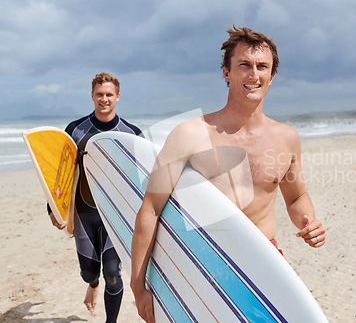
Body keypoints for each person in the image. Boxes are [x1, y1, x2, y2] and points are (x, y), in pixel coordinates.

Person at [130, 26, 326, 323]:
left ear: (272, 77)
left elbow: (296, 196)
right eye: (244, 65)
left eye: (262, 67)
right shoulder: (190, 135)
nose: (253, 74)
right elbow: (151, 207)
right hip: (204, 265)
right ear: (226, 72)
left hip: (265, 260)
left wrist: (308, 222)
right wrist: (138, 284)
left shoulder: (286, 138)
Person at [48, 72, 143, 323]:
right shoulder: (76, 130)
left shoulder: (131, 133)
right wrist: (53, 208)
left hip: (115, 217)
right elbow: (62, 174)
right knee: (88, 273)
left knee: (113, 272)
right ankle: (92, 284)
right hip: (85, 214)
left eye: (109, 94)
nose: (104, 99)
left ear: (118, 97)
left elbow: (143, 179)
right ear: (92, 96)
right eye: (99, 94)